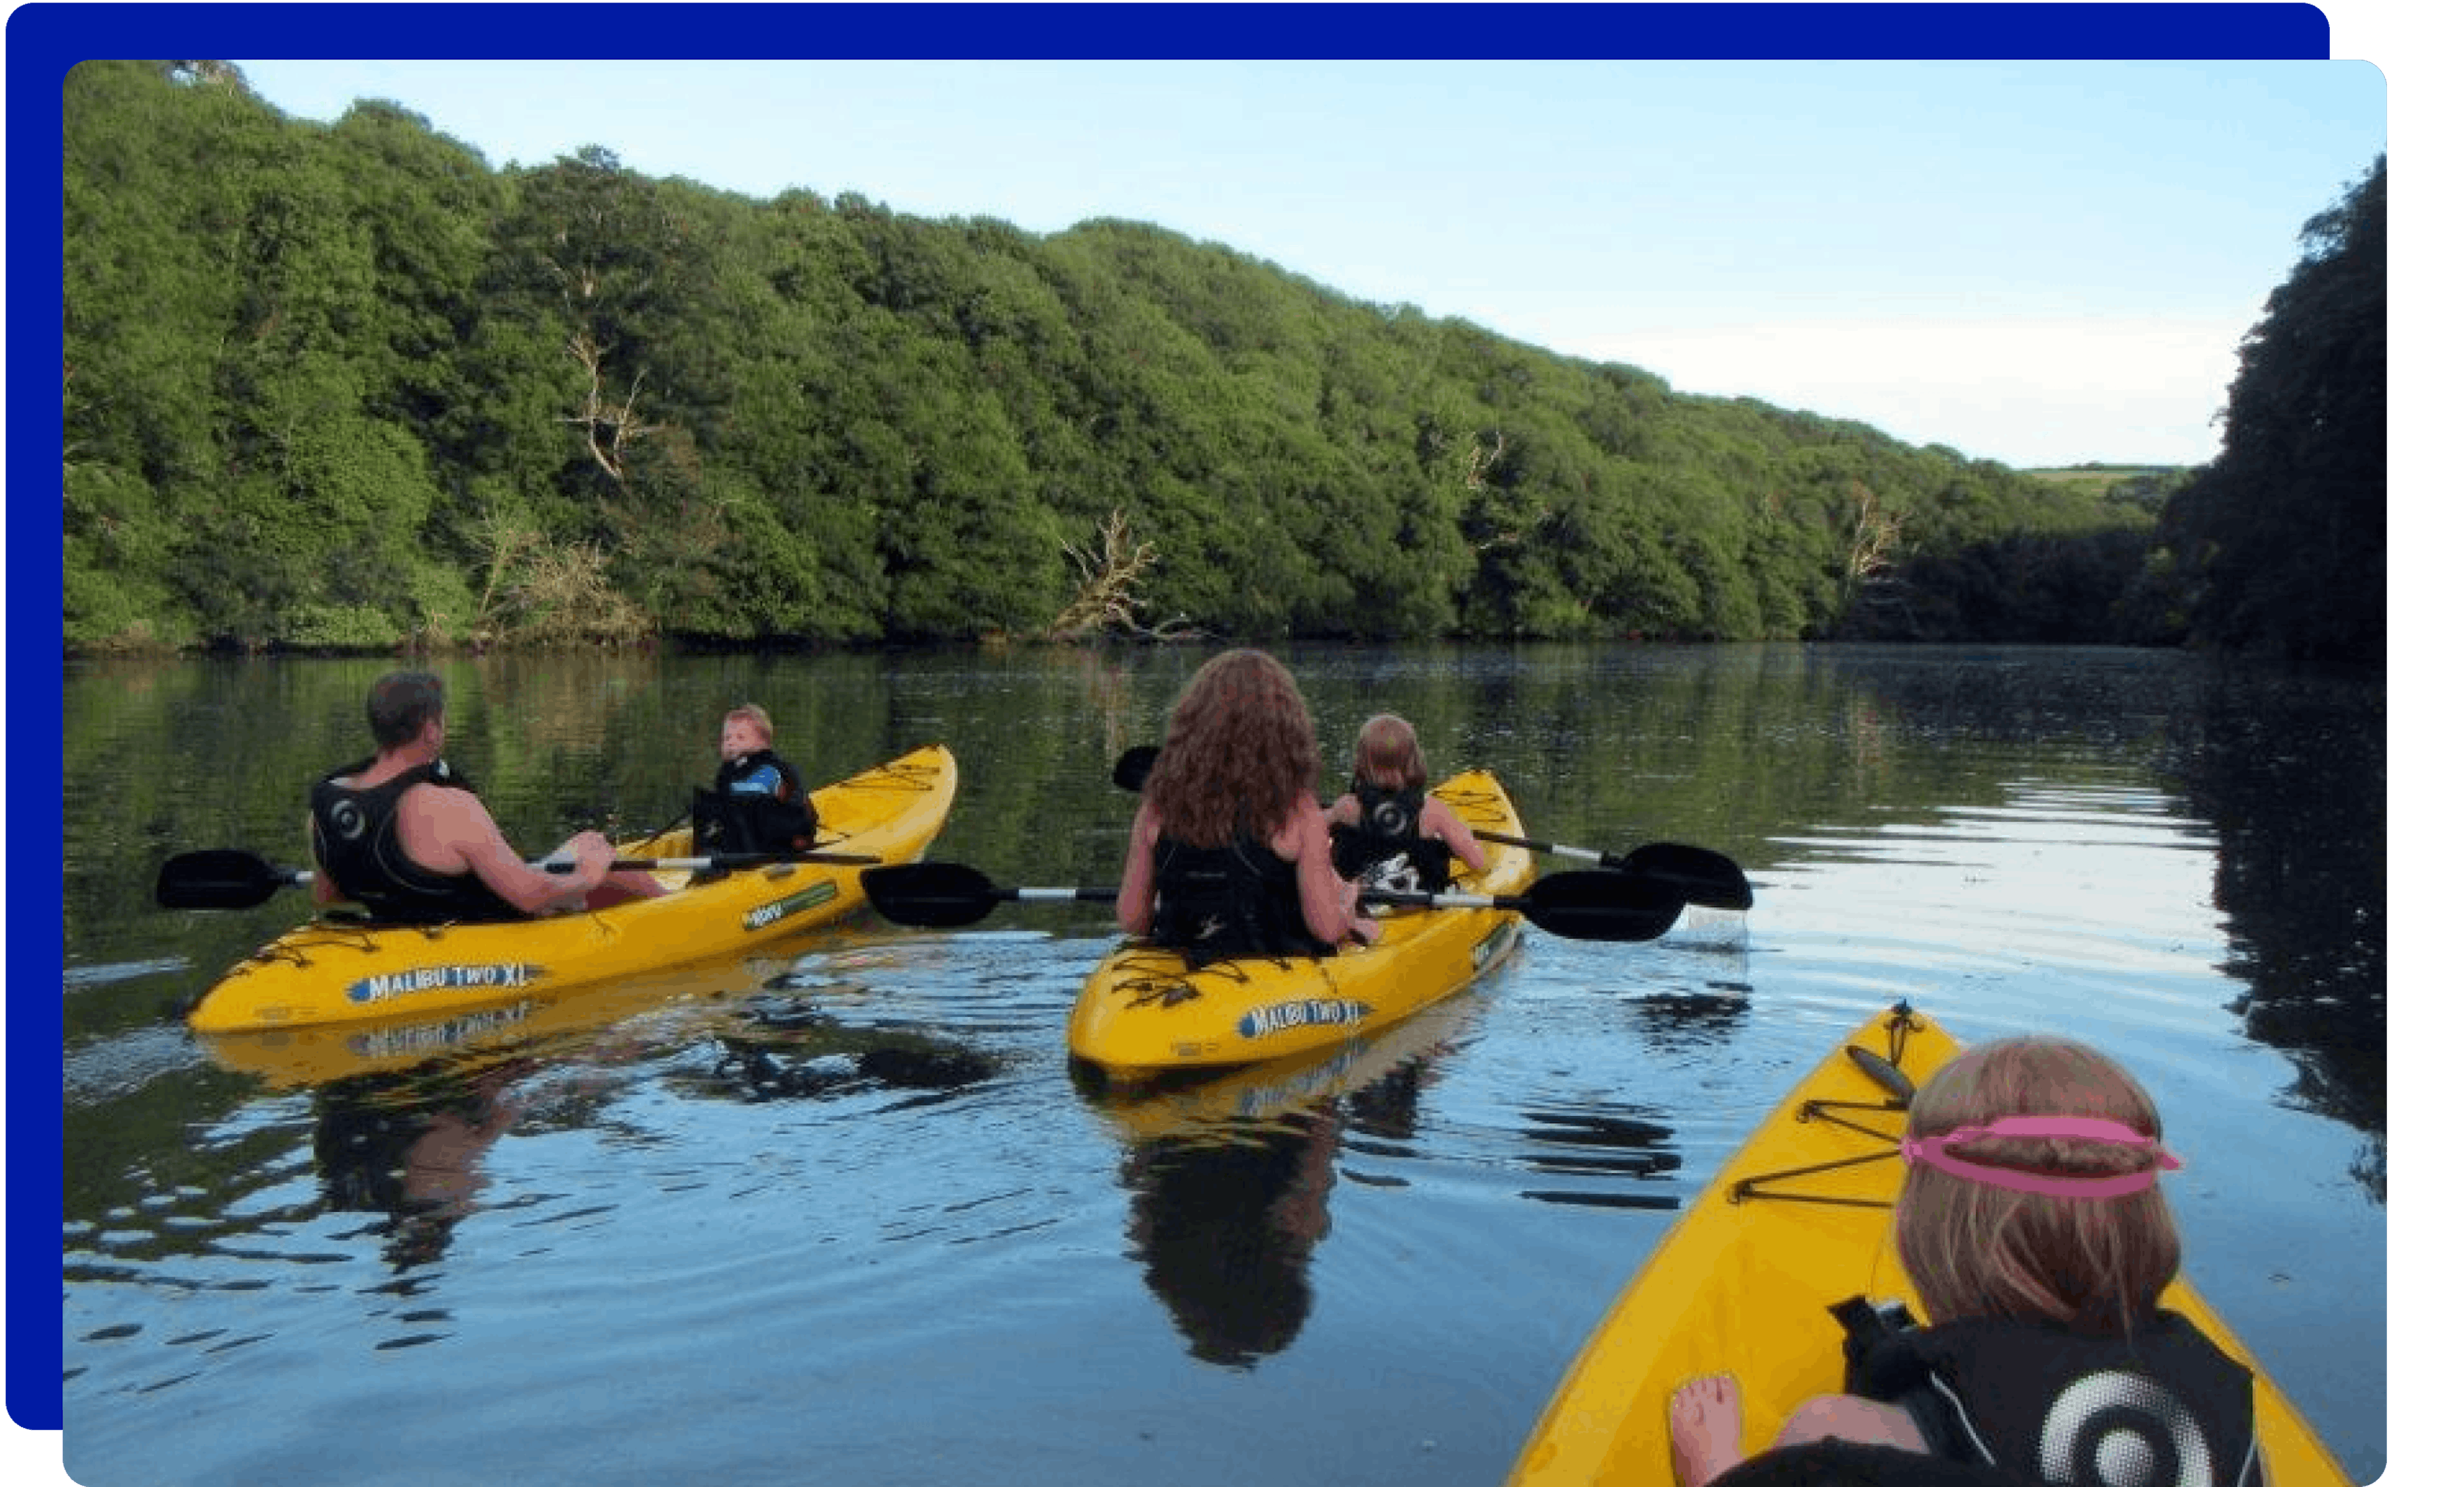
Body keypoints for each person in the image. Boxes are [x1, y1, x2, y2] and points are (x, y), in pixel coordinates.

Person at [1669, 1035, 2260, 1487]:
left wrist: (1717, 1470)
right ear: (2146, 1225)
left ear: (1916, 1233)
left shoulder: (1835, 1438)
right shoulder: (2234, 1415)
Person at [309, 670, 663, 923]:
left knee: (583, 848)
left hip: (398, 924)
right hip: (486, 927)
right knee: (601, 855)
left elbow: (328, 897)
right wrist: (588, 875)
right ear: (431, 731)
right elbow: (528, 896)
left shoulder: (330, 801)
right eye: (442, 721)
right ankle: (683, 912)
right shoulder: (448, 805)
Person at [1118, 649, 1376, 964]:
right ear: (1284, 729)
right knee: (1370, 930)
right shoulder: (1297, 809)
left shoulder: (1157, 805)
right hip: (1268, 964)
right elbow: (1326, 930)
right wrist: (1348, 904)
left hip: (1183, 955)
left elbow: (1133, 920)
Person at [1323, 713, 1487, 892]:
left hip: (1361, 902)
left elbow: (1312, 827)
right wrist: (1464, 835)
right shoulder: (1432, 811)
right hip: (1420, 905)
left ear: (1362, 762)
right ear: (1413, 761)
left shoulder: (1346, 807)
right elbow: (1477, 862)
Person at [692, 703, 820, 856]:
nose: (731, 743)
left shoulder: (771, 769)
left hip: (777, 843)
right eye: (726, 738)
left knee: (723, 805)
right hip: (747, 836)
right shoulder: (728, 770)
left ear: (763, 742)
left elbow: (750, 796)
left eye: (741, 738)